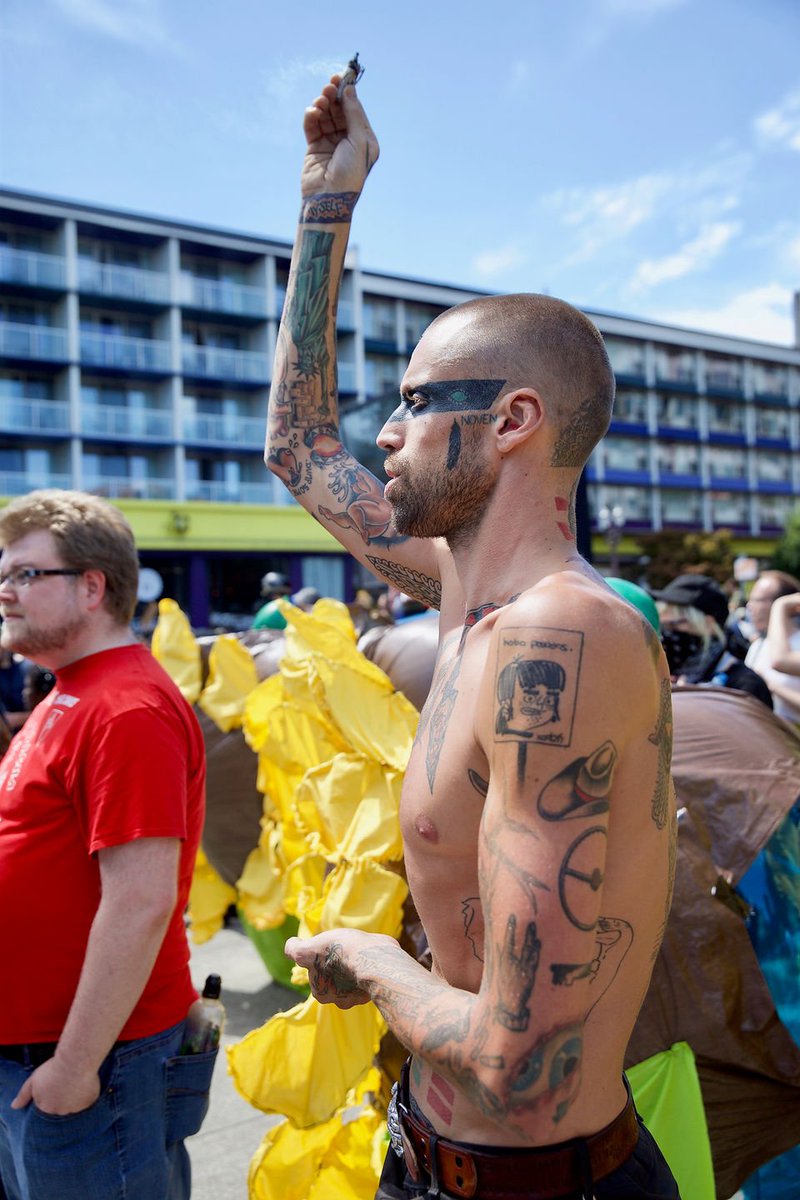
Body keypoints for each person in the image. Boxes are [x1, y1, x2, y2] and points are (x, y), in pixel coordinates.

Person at [266, 70, 678, 1198]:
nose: (384, 433)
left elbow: (515, 1059)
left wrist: (366, 960)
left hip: (539, 1179)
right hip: (438, 1160)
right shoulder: (461, 589)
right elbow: (300, 452)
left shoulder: (562, 637)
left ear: (511, 422)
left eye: (412, 402)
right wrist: (326, 201)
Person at [0, 489, 211, 1200]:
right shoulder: (72, 690)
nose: (5, 591)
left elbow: (142, 902)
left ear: (92, 587)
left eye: (26, 574)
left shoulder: (126, 709)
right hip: (44, 1055)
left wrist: (72, 1067)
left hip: (89, 1068)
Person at [744, 570, 800, 723]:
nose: (749, 606)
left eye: (757, 600)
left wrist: (770, 685)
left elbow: (780, 661)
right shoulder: (758, 645)